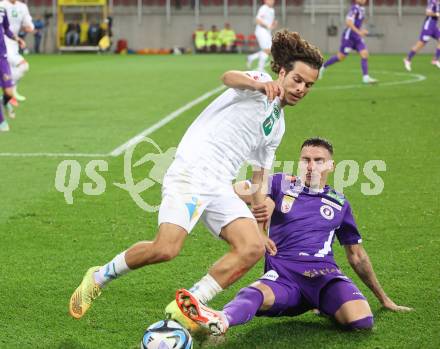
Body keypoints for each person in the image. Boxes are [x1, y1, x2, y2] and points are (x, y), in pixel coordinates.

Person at [68, 30, 324, 320]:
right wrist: (258, 85)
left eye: (309, 85)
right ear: (281, 72)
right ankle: (99, 276)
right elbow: (228, 76)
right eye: (297, 80)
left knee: (252, 247)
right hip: (191, 172)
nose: (302, 88)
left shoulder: (277, 126)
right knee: (166, 248)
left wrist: (261, 229)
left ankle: (191, 303)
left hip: (219, 185)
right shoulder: (255, 82)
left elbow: (259, 178)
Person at [175, 138, 412, 335]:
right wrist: (260, 211)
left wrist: (383, 299)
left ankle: (323, 305)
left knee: (361, 322)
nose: (311, 166)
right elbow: (236, 191)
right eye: (305, 160)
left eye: (318, 161)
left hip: (325, 276)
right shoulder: (280, 183)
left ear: (331, 166)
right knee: (255, 293)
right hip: (284, 276)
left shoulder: (340, 203)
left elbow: (357, 256)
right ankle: (221, 318)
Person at [319, 0, 377, 84]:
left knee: (364, 54)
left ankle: (366, 77)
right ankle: (323, 66)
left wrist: (361, 30)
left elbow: (357, 24)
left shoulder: (362, 9)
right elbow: (348, 22)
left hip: (357, 38)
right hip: (348, 37)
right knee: (341, 57)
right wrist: (359, 32)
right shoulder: (354, 8)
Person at [1, 0, 34, 102]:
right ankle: (9, 91)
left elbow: (28, 25)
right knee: (23, 65)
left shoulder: (22, 7)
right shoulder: (2, 5)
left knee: (16, 68)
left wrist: (28, 28)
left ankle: (9, 92)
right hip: (4, 42)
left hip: (13, 42)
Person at [0, 5, 25, 132]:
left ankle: (3, 102)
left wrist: (17, 39)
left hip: (2, 57)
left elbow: (6, 29)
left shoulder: (2, 10)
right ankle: (1, 121)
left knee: (9, 93)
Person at [403, 0, 440, 71]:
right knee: (421, 44)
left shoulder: (438, 2)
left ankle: (435, 59)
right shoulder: (433, 2)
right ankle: (408, 59)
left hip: (434, 26)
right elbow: (427, 13)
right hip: (428, 26)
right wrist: (436, 14)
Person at [247, 0, 277, 72]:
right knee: (267, 50)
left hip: (267, 32)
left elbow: (270, 23)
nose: (272, 1)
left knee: (270, 50)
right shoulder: (263, 8)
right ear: (265, 1)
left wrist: (273, 25)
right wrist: (267, 26)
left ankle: (251, 57)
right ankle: (260, 68)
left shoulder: (272, 10)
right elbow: (257, 20)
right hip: (261, 31)